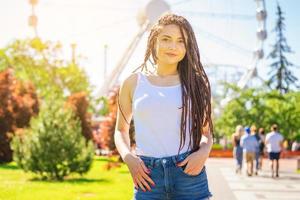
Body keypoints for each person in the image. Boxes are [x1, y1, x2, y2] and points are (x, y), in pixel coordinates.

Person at [114, 13, 213, 200]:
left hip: (189, 177)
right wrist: (129, 158)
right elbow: (120, 130)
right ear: (154, 42)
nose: (173, 46)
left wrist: (203, 152)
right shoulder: (133, 83)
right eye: (166, 39)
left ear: (187, 46)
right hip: (147, 177)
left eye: (180, 41)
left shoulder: (197, 85)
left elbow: (207, 133)